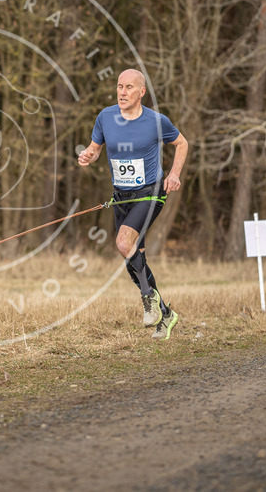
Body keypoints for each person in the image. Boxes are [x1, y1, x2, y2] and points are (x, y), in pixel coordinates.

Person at [78, 69, 188, 340]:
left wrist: (174, 174)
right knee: (131, 257)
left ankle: (148, 300)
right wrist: (88, 155)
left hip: (150, 193)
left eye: (128, 87)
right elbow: (95, 149)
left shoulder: (156, 121)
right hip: (121, 196)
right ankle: (165, 313)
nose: (122, 92)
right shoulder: (105, 117)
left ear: (141, 93)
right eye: (119, 86)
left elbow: (182, 143)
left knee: (124, 243)